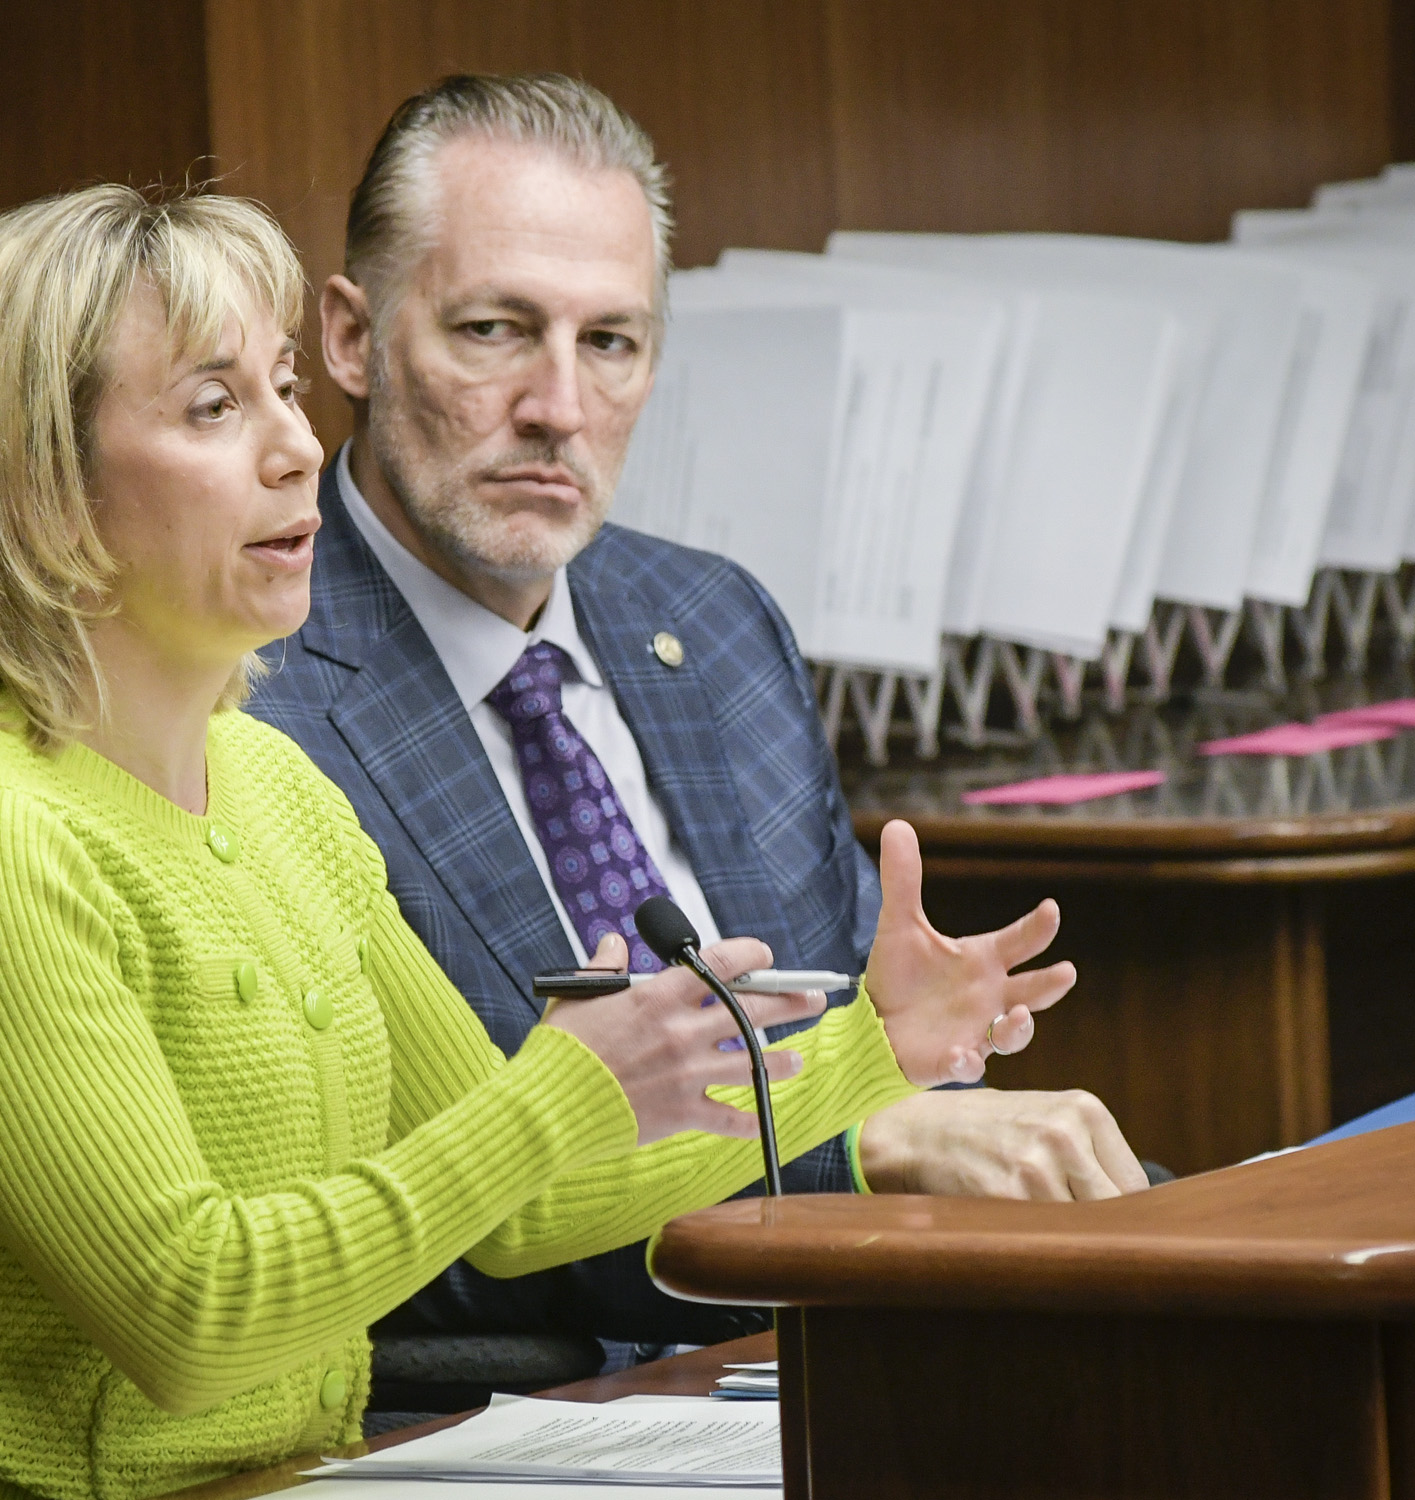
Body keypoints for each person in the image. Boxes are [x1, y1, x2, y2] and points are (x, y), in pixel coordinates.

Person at [0, 183, 1055, 1500]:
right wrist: (558, 1095)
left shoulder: (271, 783)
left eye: (285, 388)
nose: (297, 446)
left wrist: (874, 1049)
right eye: (211, 406)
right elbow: (189, 1318)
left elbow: (525, 1205)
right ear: (40, 488)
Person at [246, 73, 1146, 1347]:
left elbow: (850, 1079)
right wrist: (858, 1159)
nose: (559, 406)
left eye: (609, 342)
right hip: (528, 1412)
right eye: (496, 330)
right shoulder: (243, 691)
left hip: (830, 1348)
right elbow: (401, 1234)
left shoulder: (714, 622)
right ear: (350, 339)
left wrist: (900, 1061)